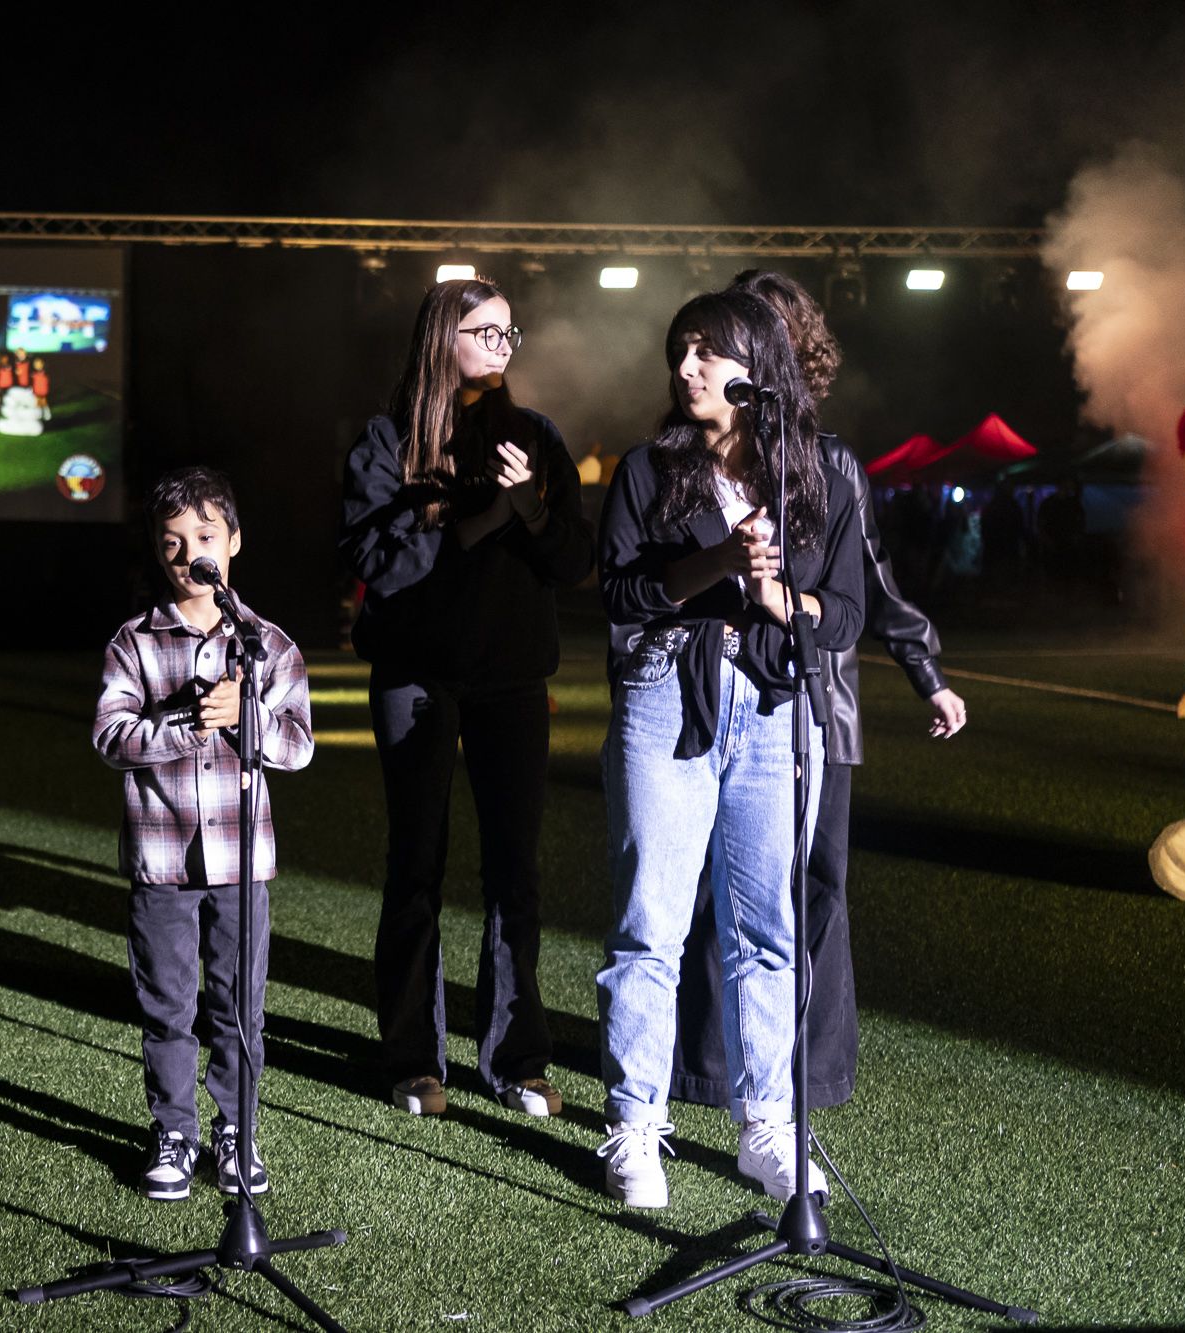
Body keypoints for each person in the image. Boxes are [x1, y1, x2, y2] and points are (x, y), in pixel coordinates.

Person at [668, 271, 966, 1115]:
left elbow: (866, 583)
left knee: (819, 889)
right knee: (713, 888)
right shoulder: (698, 456)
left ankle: (815, 1071)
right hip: (724, 695)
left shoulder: (827, 461)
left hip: (819, 705)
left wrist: (927, 672)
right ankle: (706, 1066)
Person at [595, 289, 864, 1208]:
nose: (687, 368)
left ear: (760, 364)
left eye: (709, 351)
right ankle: (634, 1127)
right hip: (668, 698)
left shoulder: (821, 467)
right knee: (652, 926)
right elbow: (622, 594)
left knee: (771, 931)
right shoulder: (646, 467)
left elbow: (848, 612)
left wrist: (782, 595)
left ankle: (768, 1129)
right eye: (680, 352)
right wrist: (721, 562)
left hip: (779, 707)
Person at [339, 276, 594, 1119]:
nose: (500, 344)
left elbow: (572, 560)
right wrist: (474, 516)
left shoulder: (538, 436)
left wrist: (528, 508)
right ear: (442, 336)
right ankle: (413, 1057)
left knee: (513, 870)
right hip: (416, 674)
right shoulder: (389, 440)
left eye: (509, 333)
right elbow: (379, 560)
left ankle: (517, 1059)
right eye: (484, 330)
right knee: (416, 862)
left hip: (513, 680)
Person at [94, 467, 313, 1201]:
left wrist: (247, 717)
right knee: (167, 1002)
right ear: (159, 554)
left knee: (239, 1004)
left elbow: (299, 743)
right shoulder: (135, 642)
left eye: (207, 538)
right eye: (175, 542)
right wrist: (186, 724)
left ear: (235, 542)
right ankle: (173, 1129)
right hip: (161, 859)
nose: (192, 555)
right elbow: (110, 735)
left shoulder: (269, 644)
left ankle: (236, 1130)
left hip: (241, 858)